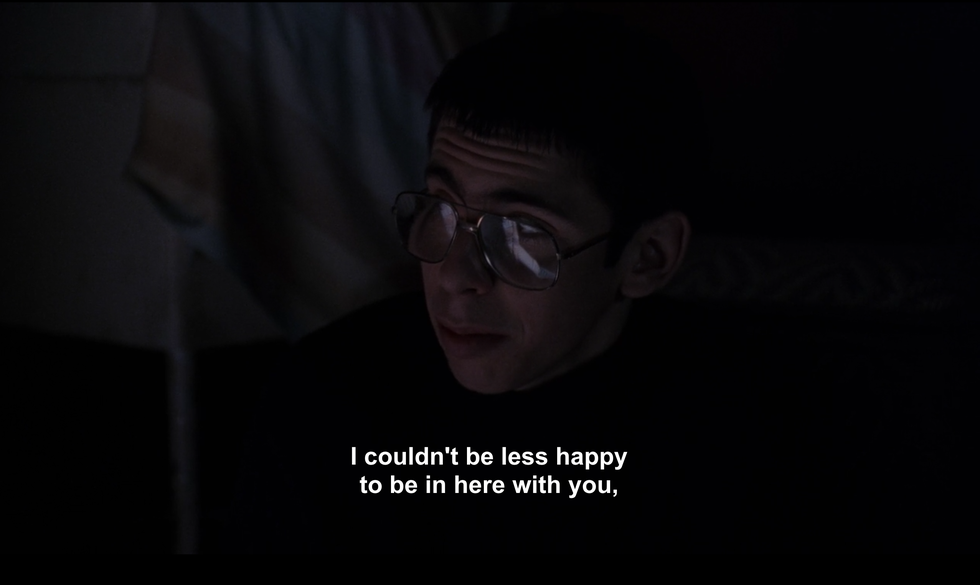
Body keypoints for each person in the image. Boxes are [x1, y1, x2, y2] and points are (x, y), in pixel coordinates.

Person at [224, 12, 970, 553]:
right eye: (442, 209)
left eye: (523, 236)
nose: (455, 277)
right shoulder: (330, 398)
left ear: (647, 257)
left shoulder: (762, 441)